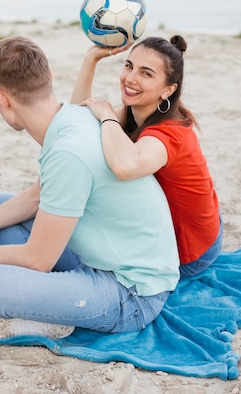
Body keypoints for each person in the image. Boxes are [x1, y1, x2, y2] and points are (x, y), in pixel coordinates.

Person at [0, 35, 179, 342]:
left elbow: (38, 260)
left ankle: (51, 314)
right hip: (103, 258)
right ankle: (51, 299)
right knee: (1, 204)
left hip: (132, 293)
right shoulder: (74, 117)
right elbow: (36, 196)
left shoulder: (67, 152)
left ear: (3, 99)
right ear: (48, 77)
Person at [71, 36, 223, 278]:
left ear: (168, 89)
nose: (130, 78)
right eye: (129, 66)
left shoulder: (168, 133)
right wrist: (91, 59)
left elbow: (124, 166)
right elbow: (78, 120)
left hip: (191, 251)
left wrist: (107, 116)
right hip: (199, 220)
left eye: (146, 74)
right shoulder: (139, 111)